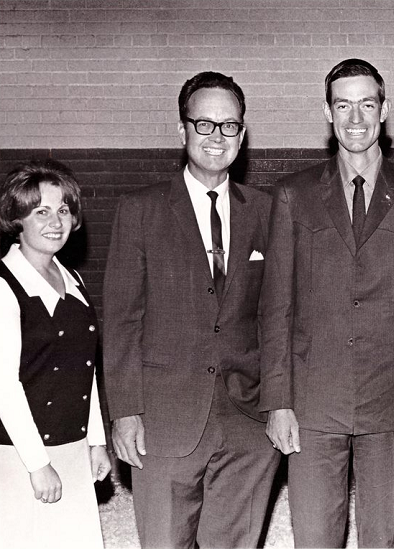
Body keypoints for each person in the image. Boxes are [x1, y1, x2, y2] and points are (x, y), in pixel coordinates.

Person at [259, 58, 394, 547]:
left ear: (385, 110)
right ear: (327, 112)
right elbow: (276, 308)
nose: (356, 118)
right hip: (313, 400)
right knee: (315, 537)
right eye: (343, 105)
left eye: (367, 103)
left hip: (391, 399)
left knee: (384, 538)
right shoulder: (292, 195)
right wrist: (278, 401)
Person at [103, 71, 279, 548]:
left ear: (243, 135)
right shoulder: (140, 210)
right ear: (181, 130)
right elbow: (121, 320)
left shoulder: (268, 211)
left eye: (229, 125)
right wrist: (124, 412)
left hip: (249, 420)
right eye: (204, 124)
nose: (216, 137)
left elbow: (279, 315)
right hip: (163, 417)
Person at [0, 159, 111, 549]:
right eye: (41, 211)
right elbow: (4, 387)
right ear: (17, 218)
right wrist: (37, 464)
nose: (55, 221)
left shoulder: (73, 280)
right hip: (18, 453)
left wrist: (95, 439)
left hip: (72, 444)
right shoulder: (3, 285)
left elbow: (85, 368)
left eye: (63, 209)